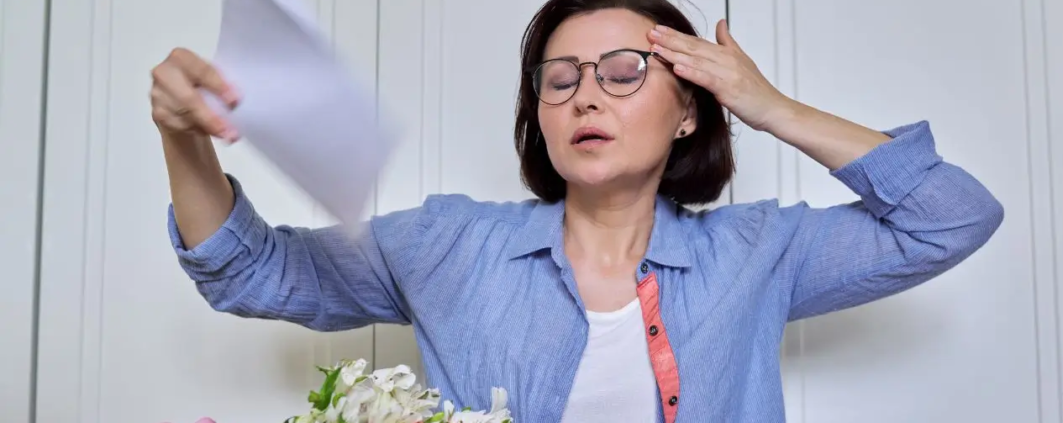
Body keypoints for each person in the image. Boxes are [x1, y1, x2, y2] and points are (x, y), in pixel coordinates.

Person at [151, 0, 1004, 421]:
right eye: (561, 79)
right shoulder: (449, 244)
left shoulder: (758, 252)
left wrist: (771, 107)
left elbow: (952, 216)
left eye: (623, 70)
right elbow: (251, 274)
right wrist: (182, 135)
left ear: (689, 108)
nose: (585, 94)